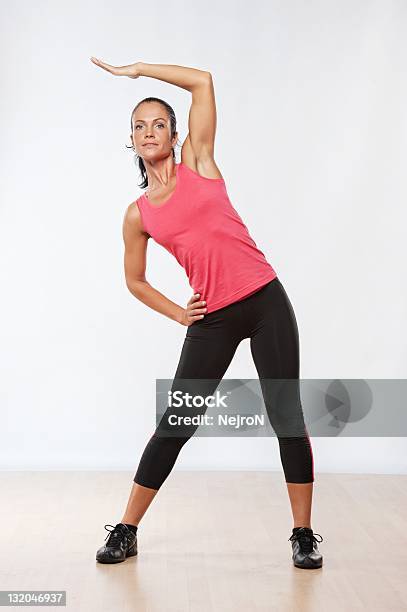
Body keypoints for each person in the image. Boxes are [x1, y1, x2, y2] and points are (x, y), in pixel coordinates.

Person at [90, 57, 324, 569]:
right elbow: (134, 280)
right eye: (139, 125)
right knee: (176, 422)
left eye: (158, 123)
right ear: (131, 141)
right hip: (212, 317)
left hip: (265, 300)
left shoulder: (199, 162)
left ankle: (303, 534)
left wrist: (137, 72)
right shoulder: (139, 214)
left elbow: (203, 81)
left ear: (175, 135)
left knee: (286, 415)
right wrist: (179, 313)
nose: (148, 130)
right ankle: (126, 530)